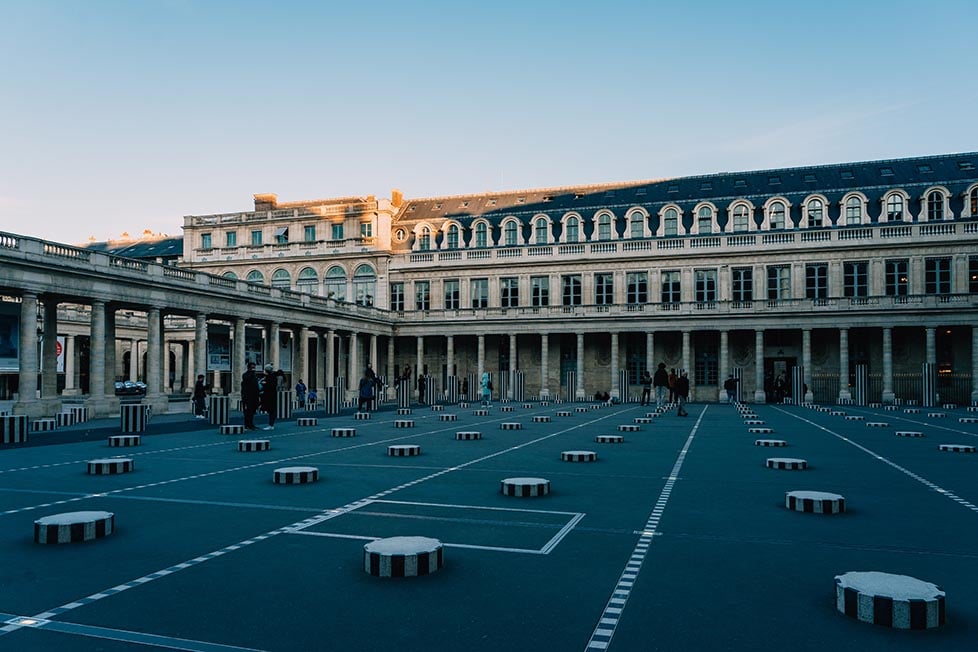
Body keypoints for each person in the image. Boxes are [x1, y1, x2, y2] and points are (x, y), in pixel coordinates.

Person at [260, 364, 283, 430]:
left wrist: (264, 384)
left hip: (270, 395)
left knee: (271, 410)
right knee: (271, 410)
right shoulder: (272, 376)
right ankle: (271, 424)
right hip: (271, 395)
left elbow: (271, 385)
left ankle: (271, 424)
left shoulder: (270, 377)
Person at [241, 362, 260, 431]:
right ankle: (247, 424)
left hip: (254, 396)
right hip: (247, 396)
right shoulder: (246, 375)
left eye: (254, 367)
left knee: (252, 411)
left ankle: (251, 424)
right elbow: (246, 380)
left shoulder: (254, 375)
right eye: (252, 367)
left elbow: (256, 385)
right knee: (247, 411)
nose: (253, 369)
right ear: (248, 368)